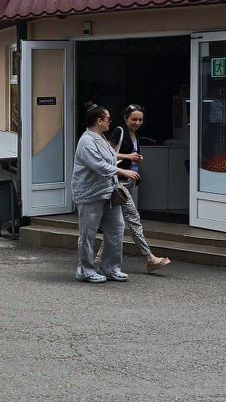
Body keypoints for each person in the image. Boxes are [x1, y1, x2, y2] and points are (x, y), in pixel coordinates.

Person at [72, 104, 135, 283]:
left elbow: (110, 158)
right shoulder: (86, 141)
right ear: (99, 120)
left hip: (108, 193)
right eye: (108, 119)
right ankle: (85, 270)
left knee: (116, 229)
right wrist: (122, 171)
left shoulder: (101, 137)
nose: (110, 121)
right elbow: (99, 165)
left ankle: (110, 267)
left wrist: (127, 158)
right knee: (88, 234)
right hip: (90, 195)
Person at [106, 104, 171, 272]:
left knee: (116, 223)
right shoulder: (120, 131)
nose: (137, 122)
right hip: (118, 183)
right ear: (125, 118)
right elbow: (106, 154)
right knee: (133, 219)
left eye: (140, 120)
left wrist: (136, 160)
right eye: (134, 119)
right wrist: (128, 156)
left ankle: (98, 259)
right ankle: (150, 258)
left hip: (129, 183)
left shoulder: (135, 135)